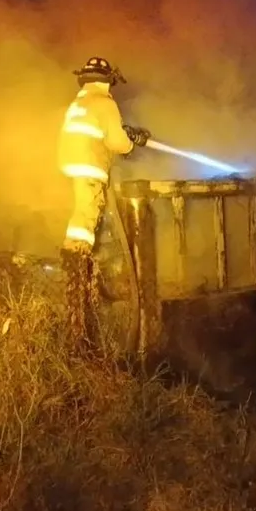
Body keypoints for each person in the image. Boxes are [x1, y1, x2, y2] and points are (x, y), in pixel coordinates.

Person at [55, 56, 150, 346]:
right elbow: (118, 143)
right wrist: (132, 140)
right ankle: (78, 257)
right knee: (88, 213)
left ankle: (77, 253)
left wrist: (124, 133)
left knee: (81, 210)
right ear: (107, 79)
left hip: (71, 163)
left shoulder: (80, 102)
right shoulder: (105, 103)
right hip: (89, 166)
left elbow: (102, 133)